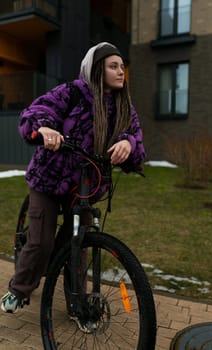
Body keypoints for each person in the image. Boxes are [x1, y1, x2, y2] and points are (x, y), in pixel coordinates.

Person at [0, 42, 145, 313]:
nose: (120, 71)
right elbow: (37, 111)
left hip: (86, 187)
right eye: (113, 66)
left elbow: (136, 140)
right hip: (50, 179)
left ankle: (76, 301)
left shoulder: (124, 108)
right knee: (42, 242)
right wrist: (44, 128)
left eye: (122, 66)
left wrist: (129, 144)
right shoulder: (74, 92)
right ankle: (18, 290)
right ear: (96, 70)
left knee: (77, 246)